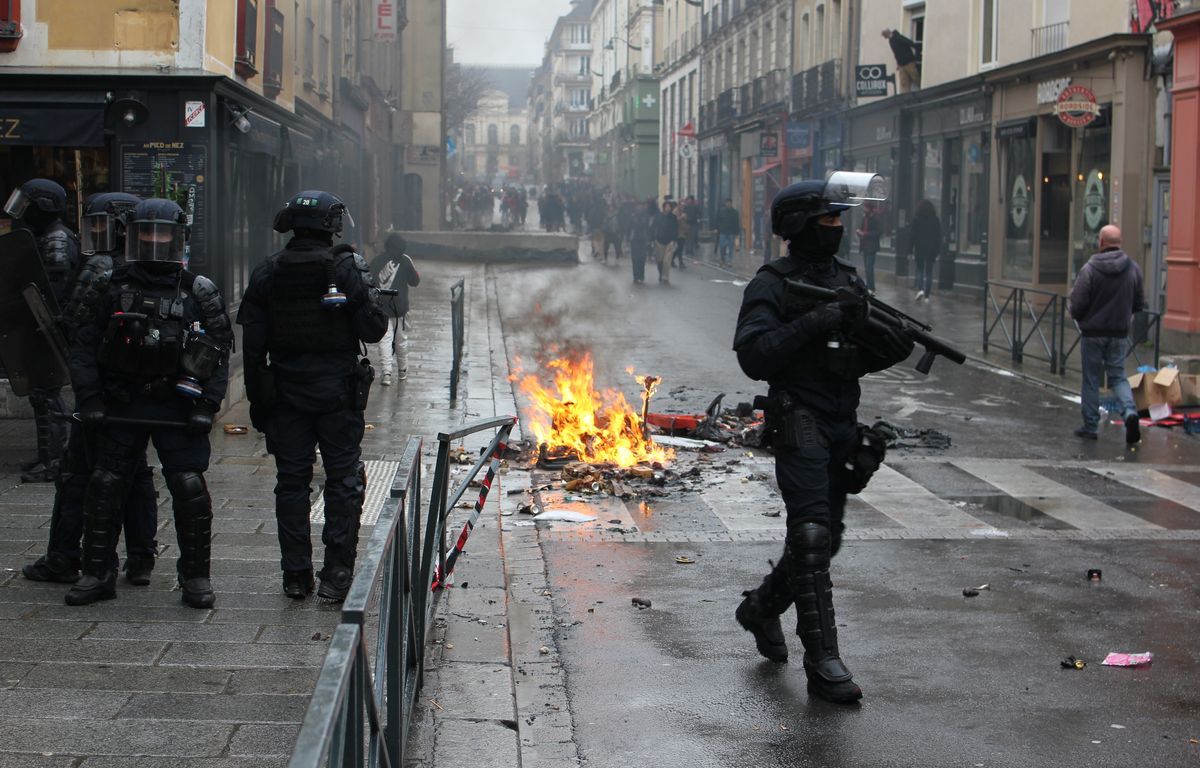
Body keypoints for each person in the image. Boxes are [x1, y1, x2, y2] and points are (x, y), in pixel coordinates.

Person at [732, 178, 915, 704]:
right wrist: (817, 319)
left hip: (841, 421)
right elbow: (754, 356)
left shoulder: (848, 280)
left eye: (840, 220)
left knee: (826, 540)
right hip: (798, 417)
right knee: (810, 536)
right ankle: (822, 659)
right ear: (799, 227)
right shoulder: (773, 282)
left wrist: (889, 344)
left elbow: (854, 359)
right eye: (827, 221)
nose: (837, 229)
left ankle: (760, 608)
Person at [65, 198, 233, 608]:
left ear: (179, 239)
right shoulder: (109, 286)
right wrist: (89, 398)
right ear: (133, 235)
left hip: (177, 403)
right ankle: (96, 571)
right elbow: (84, 346)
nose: (156, 242)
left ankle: (195, 576)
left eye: (164, 235)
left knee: (189, 487)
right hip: (120, 401)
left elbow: (218, 352)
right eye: (147, 234)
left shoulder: (198, 291)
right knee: (105, 485)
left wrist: (206, 405)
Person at [237, 190, 389, 601]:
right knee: (342, 480)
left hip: (286, 396)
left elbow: (252, 349)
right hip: (338, 396)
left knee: (291, 483)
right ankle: (337, 574)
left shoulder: (267, 272)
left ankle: (295, 576)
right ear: (331, 226)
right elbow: (375, 330)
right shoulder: (347, 268)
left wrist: (258, 402)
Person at [22, 192, 160, 586]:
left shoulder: (101, 266)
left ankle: (66, 557)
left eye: (99, 224)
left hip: (101, 388)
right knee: (135, 474)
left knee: (78, 474)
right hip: (141, 392)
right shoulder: (155, 267)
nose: (93, 233)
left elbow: (75, 328)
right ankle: (141, 558)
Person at [3, 178, 79, 482]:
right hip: (36, 326)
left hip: (47, 327)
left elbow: (52, 291)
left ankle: (55, 459)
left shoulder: (56, 239)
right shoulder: (44, 235)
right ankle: (47, 455)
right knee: (40, 394)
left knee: (47, 394)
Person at [1068, 224, 1145, 444]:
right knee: (1118, 377)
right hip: (1119, 333)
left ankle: (1090, 426)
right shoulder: (1133, 268)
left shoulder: (1090, 269)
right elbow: (1140, 302)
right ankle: (1130, 413)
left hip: (1093, 333)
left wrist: (1079, 316)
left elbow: (1077, 303)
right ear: (1119, 243)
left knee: (1091, 379)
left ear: (1101, 243)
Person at [370, 232, 420, 385]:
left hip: (382, 308)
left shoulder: (377, 260)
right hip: (401, 309)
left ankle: (386, 374)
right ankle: (402, 370)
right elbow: (415, 281)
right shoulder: (405, 260)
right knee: (401, 340)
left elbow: (369, 282)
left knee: (385, 340)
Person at [911, 199, 941, 301]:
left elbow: (912, 236)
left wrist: (910, 249)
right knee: (929, 272)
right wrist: (937, 250)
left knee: (920, 270)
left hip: (920, 248)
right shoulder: (935, 220)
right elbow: (938, 236)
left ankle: (920, 289)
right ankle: (927, 296)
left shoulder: (916, 219)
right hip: (931, 249)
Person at [856, 202, 883, 293]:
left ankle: (871, 287)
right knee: (867, 268)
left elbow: (878, 233)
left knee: (869, 267)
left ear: (870, 209)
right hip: (864, 246)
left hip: (872, 247)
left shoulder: (875, 219)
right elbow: (862, 229)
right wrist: (859, 232)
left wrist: (865, 234)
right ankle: (869, 286)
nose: (864, 209)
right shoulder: (864, 218)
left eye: (866, 208)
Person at [652, 200, 679, 285]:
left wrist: (674, 240)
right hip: (659, 240)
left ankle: (665, 276)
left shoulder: (673, 217)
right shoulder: (658, 216)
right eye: (666, 206)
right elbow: (653, 227)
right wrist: (653, 238)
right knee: (660, 259)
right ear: (663, 207)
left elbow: (675, 229)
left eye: (669, 207)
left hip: (669, 241)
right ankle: (660, 273)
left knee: (667, 260)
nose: (668, 208)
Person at [629, 199, 655, 284]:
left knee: (642, 258)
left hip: (643, 239)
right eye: (638, 206)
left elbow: (647, 227)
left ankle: (641, 275)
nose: (639, 207)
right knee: (635, 258)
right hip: (634, 239)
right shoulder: (632, 215)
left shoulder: (646, 215)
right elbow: (629, 226)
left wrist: (649, 239)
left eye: (640, 206)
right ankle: (635, 276)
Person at [716, 198, 741, 268]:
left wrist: (737, 232)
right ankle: (722, 258)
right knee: (722, 246)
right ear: (725, 203)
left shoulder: (735, 212)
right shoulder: (722, 211)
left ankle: (729, 260)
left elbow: (736, 222)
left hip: (731, 232)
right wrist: (719, 228)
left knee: (730, 247)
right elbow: (718, 220)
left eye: (729, 203)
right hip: (723, 231)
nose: (728, 204)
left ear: (731, 203)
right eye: (727, 203)